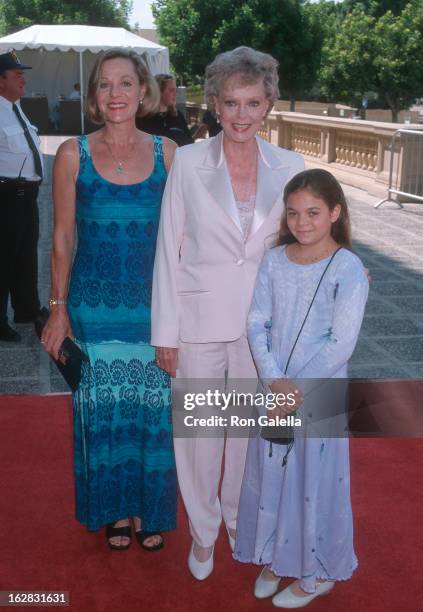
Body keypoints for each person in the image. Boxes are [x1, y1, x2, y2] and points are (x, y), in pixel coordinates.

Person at [151, 46, 304, 580]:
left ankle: (238, 519)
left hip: (260, 329)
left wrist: (339, 273)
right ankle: (202, 531)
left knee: (242, 433)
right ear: (214, 104)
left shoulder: (291, 167)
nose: (242, 115)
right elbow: (169, 248)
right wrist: (164, 332)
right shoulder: (188, 162)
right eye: (231, 103)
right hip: (195, 324)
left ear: (269, 106)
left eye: (253, 103)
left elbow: (302, 243)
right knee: (198, 434)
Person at [42, 49, 177, 551]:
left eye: (125, 83)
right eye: (104, 84)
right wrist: (58, 311)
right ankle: (117, 511)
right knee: (105, 411)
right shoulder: (72, 154)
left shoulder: (169, 152)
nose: (115, 93)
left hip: (152, 307)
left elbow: (185, 238)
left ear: (144, 91)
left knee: (153, 411)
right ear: (94, 96)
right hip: (93, 310)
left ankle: (149, 508)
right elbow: (61, 238)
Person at [234, 169, 369, 608]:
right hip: (274, 388)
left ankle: (317, 570)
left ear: (335, 212)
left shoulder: (347, 268)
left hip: (320, 391)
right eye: (293, 213)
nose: (302, 222)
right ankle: (275, 556)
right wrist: (274, 380)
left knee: (315, 479)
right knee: (273, 471)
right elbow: (258, 322)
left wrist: (295, 390)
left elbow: (341, 343)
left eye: (313, 212)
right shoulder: (274, 260)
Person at [0, 51, 43, 342]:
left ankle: (27, 309)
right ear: (1, 81)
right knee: (3, 259)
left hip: (27, 195)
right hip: (6, 195)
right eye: (17, 75)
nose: (23, 78)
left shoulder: (15, 108)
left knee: (26, 255)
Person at [136, 74, 193, 147]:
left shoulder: (178, 116)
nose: (175, 94)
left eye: (176, 90)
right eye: (171, 90)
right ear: (158, 92)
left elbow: (189, 143)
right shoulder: (142, 118)